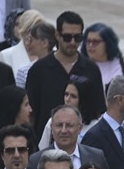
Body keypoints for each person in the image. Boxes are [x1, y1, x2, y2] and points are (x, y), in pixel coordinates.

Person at [24, 11, 104, 139]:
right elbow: (30, 114)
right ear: (57, 35)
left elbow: (98, 111)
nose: (72, 42)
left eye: (78, 38)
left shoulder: (91, 69)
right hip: (46, 143)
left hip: (83, 145)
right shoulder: (39, 70)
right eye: (67, 37)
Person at [81, 22, 124, 87]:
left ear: (108, 43)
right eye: (88, 41)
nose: (90, 45)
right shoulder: (80, 66)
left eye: (95, 42)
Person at [12, 21, 56, 89]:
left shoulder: (62, 68)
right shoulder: (24, 71)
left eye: (30, 40)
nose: (27, 43)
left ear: (44, 43)